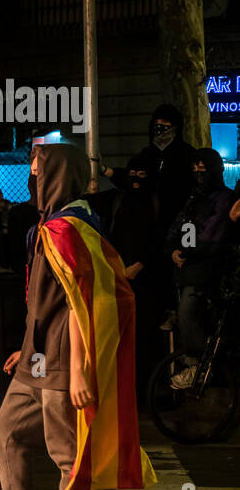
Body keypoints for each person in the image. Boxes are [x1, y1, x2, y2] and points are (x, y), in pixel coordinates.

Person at [0, 143, 157, 490]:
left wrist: (79, 371)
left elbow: (83, 301)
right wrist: (27, 345)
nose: (33, 177)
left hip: (62, 359)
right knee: (7, 434)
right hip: (40, 356)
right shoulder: (52, 225)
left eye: (38, 170)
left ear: (57, 174)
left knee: (67, 454)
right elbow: (47, 301)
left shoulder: (68, 227)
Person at [86, 151, 167, 398]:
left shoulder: (156, 201)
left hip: (147, 282)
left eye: (142, 175)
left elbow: (159, 238)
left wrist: (140, 264)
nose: (136, 179)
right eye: (133, 174)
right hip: (119, 278)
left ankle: (145, 391)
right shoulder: (119, 198)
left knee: (145, 336)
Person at [165, 148, 234, 387]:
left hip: (209, 271)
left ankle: (198, 367)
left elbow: (212, 234)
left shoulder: (223, 197)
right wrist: (175, 249)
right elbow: (181, 226)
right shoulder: (194, 196)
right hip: (187, 267)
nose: (198, 173)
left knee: (188, 310)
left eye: (203, 169)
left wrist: (186, 251)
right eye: (195, 168)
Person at [101, 103, 196, 233]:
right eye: (157, 124)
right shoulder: (146, 155)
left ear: (176, 127)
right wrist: (106, 171)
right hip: (145, 226)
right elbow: (129, 178)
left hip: (176, 224)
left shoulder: (187, 155)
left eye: (165, 124)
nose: (160, 128)